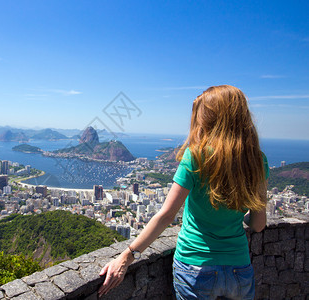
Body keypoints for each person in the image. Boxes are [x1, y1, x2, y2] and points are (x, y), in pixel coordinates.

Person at [98, 85, 269, 300]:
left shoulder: (196, 156)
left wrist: (126, 256)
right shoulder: (258, 160)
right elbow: (258, 224)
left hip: (196, 267)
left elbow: (167, 215)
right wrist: (231, 218)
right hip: (239, 268)